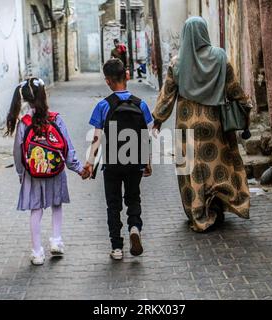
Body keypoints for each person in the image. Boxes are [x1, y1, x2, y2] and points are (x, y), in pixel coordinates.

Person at [152, 17, 251, 233]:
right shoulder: (220, 58)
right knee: (217, 167)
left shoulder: (177, 63)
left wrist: (158, 119)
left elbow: (167, 96)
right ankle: (220, 205)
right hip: (214, 123)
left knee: (193, 170)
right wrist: (245, 105)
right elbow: (233, 89)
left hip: (186, 126)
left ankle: (199, 213)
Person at [5, 77, 89, 266]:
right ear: (44, 95)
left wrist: (21, 173)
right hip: (55, 171)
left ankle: (36, 252)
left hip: (32, 173)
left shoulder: (24, 123)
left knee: (36, 209)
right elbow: (67, 147)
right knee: (56, 204)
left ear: (25, 99)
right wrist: (78, 168)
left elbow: (18, 152)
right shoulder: (55, 119)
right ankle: (56, 241)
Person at [84, 59, 154, 260]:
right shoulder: (141, 104)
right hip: (135, 160)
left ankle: (116, 247)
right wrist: (147, 161)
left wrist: (90, 162)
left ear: (107, 81)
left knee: (113, 204)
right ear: (128, 76)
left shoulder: (103, 105)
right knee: (133, 198)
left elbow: (97, 138)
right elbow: (146, 136)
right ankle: (134, 227)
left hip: (112, 162)